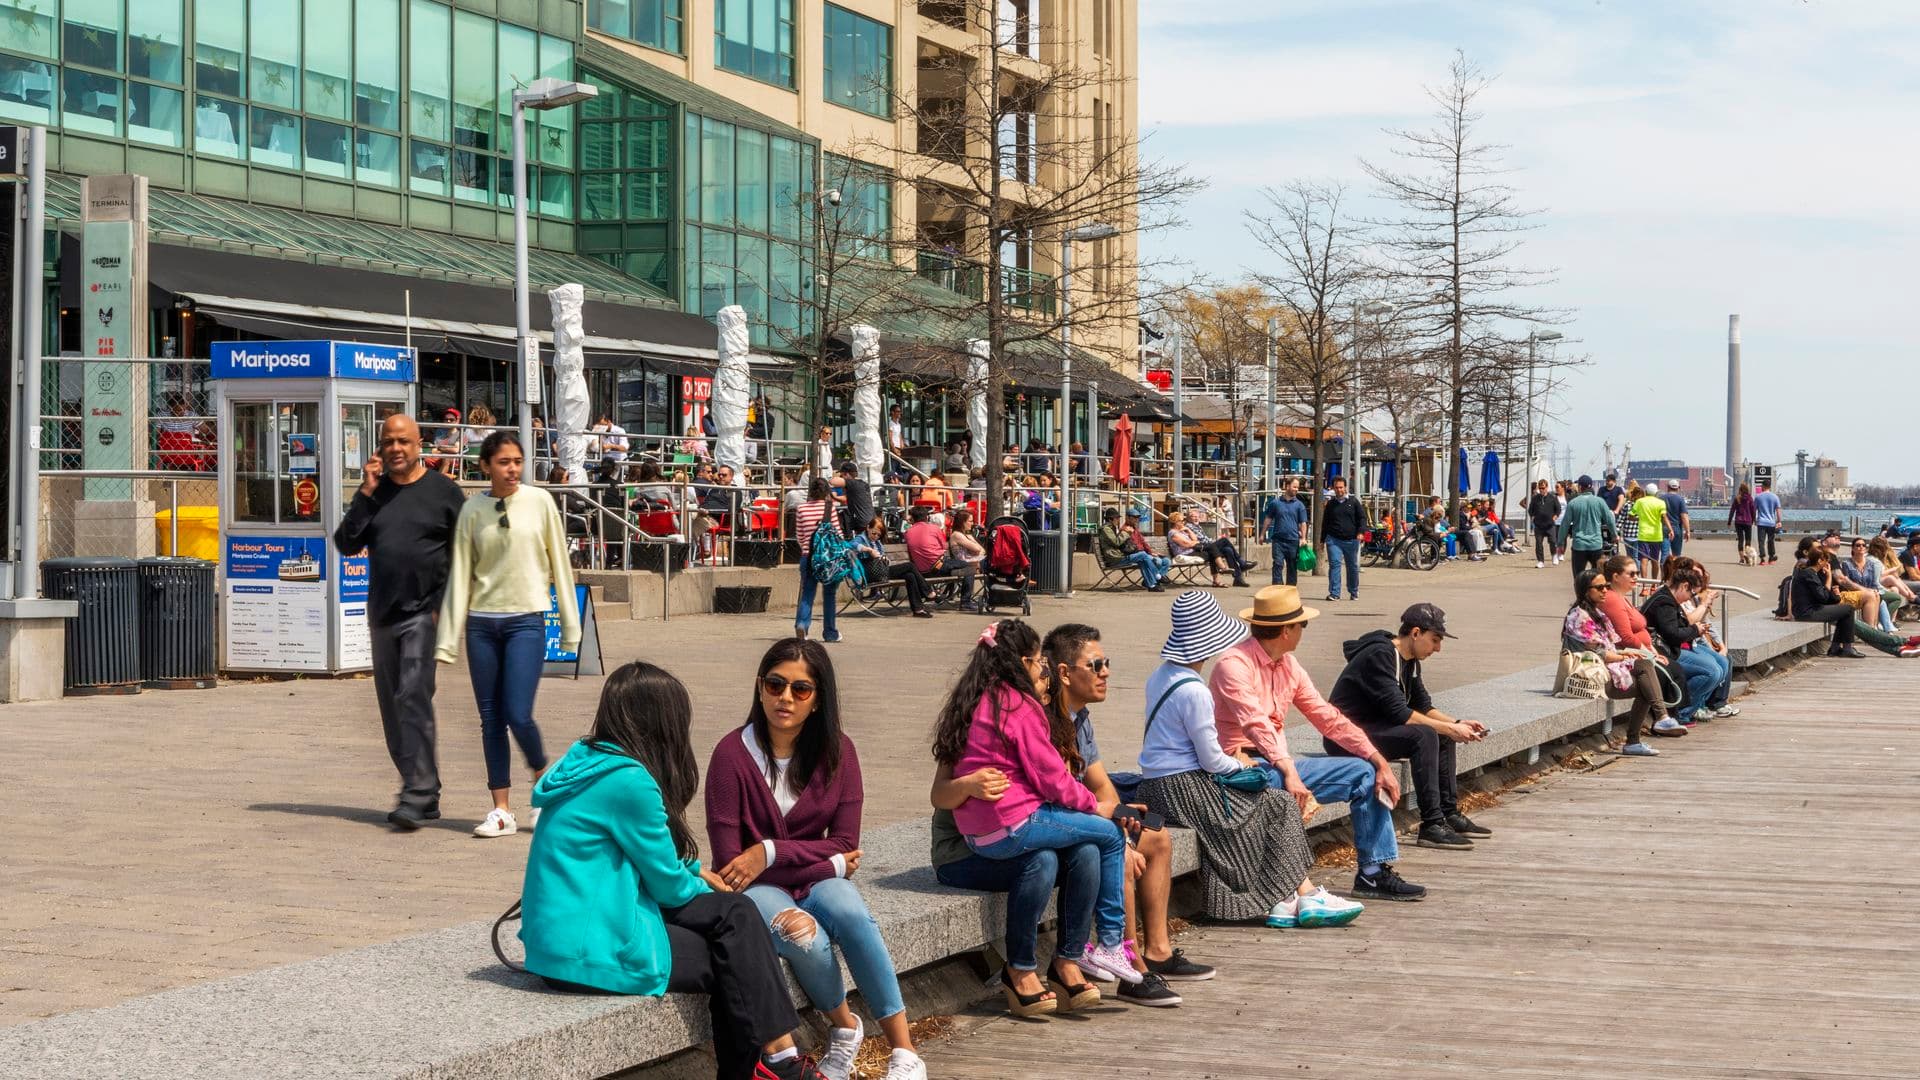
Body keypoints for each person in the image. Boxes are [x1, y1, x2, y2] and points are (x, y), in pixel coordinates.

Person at [518, 663, 829, 1080]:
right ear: (662, 722)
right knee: (735, 937)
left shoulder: (587, 761)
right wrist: (701, 883)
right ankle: (778, 1061)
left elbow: (648, 860)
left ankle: (772, 1064)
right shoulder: (630, 781)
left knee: (735, 927)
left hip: (557, 943)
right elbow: (668, 888)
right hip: (588, 953)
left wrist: (697, 871)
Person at [703, 641, 927, 1080]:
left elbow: (846, 839)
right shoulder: (729, 756)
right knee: (800, 932)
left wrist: (769, 851)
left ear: (818, 698)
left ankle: (905, 1052)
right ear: (760, 688)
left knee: (851, 912)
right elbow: (733, 866)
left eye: (800, 689)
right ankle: (845, 1029)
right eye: (775, 684)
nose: (785, 698)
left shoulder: (839, 752)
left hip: (787, 874)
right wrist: (833, 864)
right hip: (758, 889)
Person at [932, 619, 1142, 1016]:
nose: (1044, 676)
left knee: (1076, 853)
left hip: (997, 834)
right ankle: (1105, 946)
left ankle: (1066, 963)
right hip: (965, 850)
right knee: (1107, 836)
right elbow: (1050, 781)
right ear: (1025, 665)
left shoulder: (990, 704)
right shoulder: (1006, 707)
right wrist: (969, 785)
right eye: (1041, 667)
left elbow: (1055, 782)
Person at [1138, 592, 1364, 928]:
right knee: (1278, 804)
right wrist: (1242, 766)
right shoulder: (1194, 690)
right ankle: (1301, 893)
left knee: (1273, 802)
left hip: (1161, 785)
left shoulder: (1162, 675)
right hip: (1182, 787)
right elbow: (1212, 759)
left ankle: (1293, 897)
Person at [1210, 587, 1426, 901]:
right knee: (1289, 775)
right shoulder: (1234, 664)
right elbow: (1255, 724)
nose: (1303, 632)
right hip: (1239, 771)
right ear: (1286, 630)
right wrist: (1290, 772)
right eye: (1302, 625)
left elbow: (1327, 717)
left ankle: (1372, 874)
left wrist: (1377, 759)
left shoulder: (1288, 664)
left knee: (1365, 773)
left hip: (1276, 765)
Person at [1043, 624, 1214, 1005]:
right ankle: (1131, 969)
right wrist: (1118, 837)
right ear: (1065, 673)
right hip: (1055, 823)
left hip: (1083, 817)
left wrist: (1121, 816)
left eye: (1107, 663)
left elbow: (1100, 783)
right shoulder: (1044, 720)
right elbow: (1054, 798)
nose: (1106, 672)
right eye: (1096, 664)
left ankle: (1158, 951)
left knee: (1157, 838)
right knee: (1119, 856)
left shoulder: (1080, 718)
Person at [437, 432, 578, 838]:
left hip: (525, 621)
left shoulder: (540, 503)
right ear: (485, 466)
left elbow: (561, 567)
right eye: (503, 461)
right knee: (491, 719)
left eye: (517, 461)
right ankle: (501, 809)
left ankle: (543, 783)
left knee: (518, 712)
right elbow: (460, 574)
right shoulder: (472, 511)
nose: (512, 468)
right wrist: (447, 638)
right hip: (481, 624)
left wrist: (570, 626)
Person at [333, 415, 468, 830]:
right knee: (394, 708)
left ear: (419, 444)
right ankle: (423, 789)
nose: (395, 449)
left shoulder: (445, 493)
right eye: (388, 442)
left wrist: (445, 609)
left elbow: (464, 555)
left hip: (424, 615)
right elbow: (345, 543)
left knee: (412, 693)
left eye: (403, 442)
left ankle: (417, 793)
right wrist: (366, 493)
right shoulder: (375, 494)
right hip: (383, 615)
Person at [1327, 602, 1494, 850]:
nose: (1438, 648)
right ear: (1415, 633)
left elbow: (1423, 705)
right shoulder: (1380, 656)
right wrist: (1449, 728)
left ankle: (1448, 814)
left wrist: (1457, 724)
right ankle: (1431, 825)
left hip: (1377, 730)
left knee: (1441, 734)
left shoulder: (1410, 660)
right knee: (1424, 735)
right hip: (1345, 738)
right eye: (1435, 640)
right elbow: (1401, 714)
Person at [1564, 570, 1673, 758]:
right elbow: (1597, 654)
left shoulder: (1597, 613)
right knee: (1646, 684)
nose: (1605, 591)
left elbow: (1610, 648)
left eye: (1606, 586)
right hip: (1590, 674)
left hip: (1604, 669)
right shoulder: (1579, 617)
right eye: (1599, 588)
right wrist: (1624, 657)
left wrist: (1627, 654)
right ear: (1585, 591)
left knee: (1645, 669)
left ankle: (1655, 723)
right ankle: (1649, 728)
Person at [1597, 555, 1689, 735]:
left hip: (1642, 651)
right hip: (1627, 654)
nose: (1636, 577)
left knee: (1672, 668)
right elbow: (1625, 636)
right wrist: (1649, 654)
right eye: (1631, 574)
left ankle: (1669, 718)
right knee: (1665, 673)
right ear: (1616, 577)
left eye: (1637, 573)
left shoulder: (1622, 597)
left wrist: (1652, 651)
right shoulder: (1613, 599)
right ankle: (1663, 718)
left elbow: (1640, 632)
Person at [1643, 563, 1738, 724]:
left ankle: (1690, 708)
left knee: (1722, 664)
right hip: (1664, 651)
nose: (1690, 597)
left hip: (1673, 647)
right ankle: (1680, 710)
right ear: (1684, 586)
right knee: (1711, 672)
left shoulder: (1670, 599)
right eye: (1691, 592)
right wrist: (1695, 630)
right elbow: (1673, 634)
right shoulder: (1664, 602)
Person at [793, 476, 843, 643]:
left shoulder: (801, 509)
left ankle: (802, 625)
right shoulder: (830, 508)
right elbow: (837, 534)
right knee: (829, 594)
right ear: (826, 492)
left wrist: (807, 548)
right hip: (828, 558)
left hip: (808, 556)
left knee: (807, 593)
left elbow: (799, 536)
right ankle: (830, 632)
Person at [1793, 546, 1865, 657]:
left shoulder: (1809, 573)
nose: (1827, 564)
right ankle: (1846, 648)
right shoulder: (1809, 574)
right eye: (1826, 560)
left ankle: (1836, 648)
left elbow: (1824, 596)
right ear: (1819, 561)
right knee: (1849, 609)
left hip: (1808, 609)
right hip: (1807, 612)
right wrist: (1829, 577)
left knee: (1844, 612)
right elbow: (1823, 597)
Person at [1557, 475, 1616, 583]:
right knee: (1598, 577)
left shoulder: (1573, 503)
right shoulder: (1599, 501)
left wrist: (1560, 543)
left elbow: (1564, 524)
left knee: (1579, 578)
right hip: (1596, 545)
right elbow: (1609, 519)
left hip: (1579, 545)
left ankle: (1581, 598)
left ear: (1579, 487)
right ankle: (1595, 597)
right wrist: (1614, 535)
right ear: (1591, 486)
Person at [1167, 510, 1245, 588]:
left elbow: (1195, 539)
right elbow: (1187, 544)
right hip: (1185, 554)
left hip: (1193, 551)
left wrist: (1188, 531)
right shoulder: (1173, 533)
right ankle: (1228, 567)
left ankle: (1222, 576)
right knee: (1220, 543)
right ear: (1175, 522)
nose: (1183, 522)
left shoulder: (1183, 531)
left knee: (1225, 549)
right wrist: (1194, 542)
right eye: (1181, 520)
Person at [1318, 477, 1366, 601]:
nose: (1339, 490)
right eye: (1336, 487)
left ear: (1345, 488)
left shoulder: (1353, 502)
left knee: (1352, 566)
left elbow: (1362, 518)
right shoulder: (1331, 504)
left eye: (1341, 487)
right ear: (1333, 488)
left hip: (1351, 540)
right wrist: (1322, 540)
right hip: (1334, 540)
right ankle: (1335, 593)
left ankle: (1353, 591)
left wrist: (1361, 532)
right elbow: (1325, 523)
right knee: (1334, 565)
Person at [1097, 507, 1166, 591]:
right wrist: (1126, 533)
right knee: (1143, 555)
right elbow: (1116, 542)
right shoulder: (1106, 529)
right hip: (1115, 559)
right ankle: (1157, 576)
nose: (1118, 521)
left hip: (1118, 556)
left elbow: (1141, 541)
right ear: (1111, 519)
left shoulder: (1112, 528)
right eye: (1117, 518)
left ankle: (1151, 585)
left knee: (1143, 559)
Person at [1260, 478, 1310, 586]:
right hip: (1278, 540)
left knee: (1292, 566)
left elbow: (1303, 523)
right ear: (1287, 486)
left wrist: (1303, 538)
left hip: (1293, 540)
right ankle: (1277, 588)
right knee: (1277, 564)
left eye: (1297, 487)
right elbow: (1268, 519)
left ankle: (1290, 590)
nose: (1296, 489)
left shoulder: (1299, 505)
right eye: (1294, 487)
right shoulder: (1275, 503)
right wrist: (1262, 534)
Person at [899, 505, 942, 617]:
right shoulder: (934, 528)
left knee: (910, 575)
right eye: (875, 533)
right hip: (935, 566)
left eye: (878, 534)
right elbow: (943, 548)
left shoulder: (908, 532)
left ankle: (918, 610)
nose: (877, 535)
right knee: (967, 567)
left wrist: (910, 522)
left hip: (918, 569)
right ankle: (929, 592)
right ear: (927, 517)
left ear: (912, 518)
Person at [942, 507, 986, 610]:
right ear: (962, 522)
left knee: (993, 563)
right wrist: (971, 539)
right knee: (993, 563)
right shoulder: (957, 535)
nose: (972, 523)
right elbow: (977, 549)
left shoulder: (964, 535)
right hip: (964, 564)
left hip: (973, 562)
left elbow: (982, 551)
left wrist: (970, 538)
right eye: (970, 521)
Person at [834, 460, 874, 537]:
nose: (840, 477)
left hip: (863, 522)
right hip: (867, 519)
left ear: (846, 474)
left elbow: (833, 481)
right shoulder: (861, 483)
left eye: (841, 475)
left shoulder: (852, 483)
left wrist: (834, 495)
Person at [1528, 479, 1560, 568]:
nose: (1542, 490)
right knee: (1538, 543)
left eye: (1543, 488)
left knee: (1553, 541)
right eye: (1540, 488)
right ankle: (1540, 561)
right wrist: (1532, 517)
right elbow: (1530, 510)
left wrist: (1555, 516)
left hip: (1550, 525)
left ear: (1547, 487)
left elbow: (1558, 509)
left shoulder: (1552, 498)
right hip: (1538, 525)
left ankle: (1554, 555)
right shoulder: (1535, 498)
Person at [1661, 481, 1692, 564]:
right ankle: (1674, 573)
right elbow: (1684, 516)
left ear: (1667, 487)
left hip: (1663, 528)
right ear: (1678, 488)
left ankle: (1664, 574)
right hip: (1677, 528)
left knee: (1665, 554)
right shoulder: (1680, 499)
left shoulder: (1661, 498)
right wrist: (1687, 531)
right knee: (1676, 555)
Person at [1753, 479, 1783, 564]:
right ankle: (1771, 558)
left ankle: (1762, 559)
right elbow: (1778, 511)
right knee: (1771, 540)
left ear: (1763, 486)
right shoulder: (1775, 497)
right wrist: (1779, 521)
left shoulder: (1758, 497)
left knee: (1761, 541)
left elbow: (1754, 510)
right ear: (1769, 486)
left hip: (1761, 522)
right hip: (1771, 523)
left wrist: (1754, 520)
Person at [1729, 483, 1757, 560]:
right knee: (1748, 540)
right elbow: (1753, 510)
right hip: (1748, 522)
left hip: (1738, 522)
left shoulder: (1737, 498)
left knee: (1740, 540)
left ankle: (1742, 558)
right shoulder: (1750, 498)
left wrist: (1729, 521)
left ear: (1740, 490)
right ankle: (1747, 555)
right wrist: (1754, 520)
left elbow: (1732, 510)